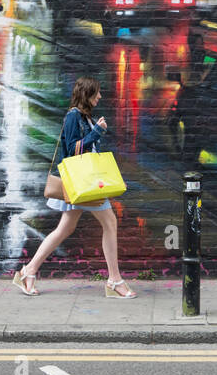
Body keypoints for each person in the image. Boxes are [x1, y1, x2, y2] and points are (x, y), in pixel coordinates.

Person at [14, 76, 135, 298]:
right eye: (96, 93)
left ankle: (28, 271)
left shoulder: (84, 117)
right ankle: (114, 281)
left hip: (85, 184)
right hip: (82, 182)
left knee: (65, 229)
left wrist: (94, 131)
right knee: (109, 222)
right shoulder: (73, 117)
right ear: (87, 94)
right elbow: (72, 151)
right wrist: (96, 132)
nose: (99, 96)